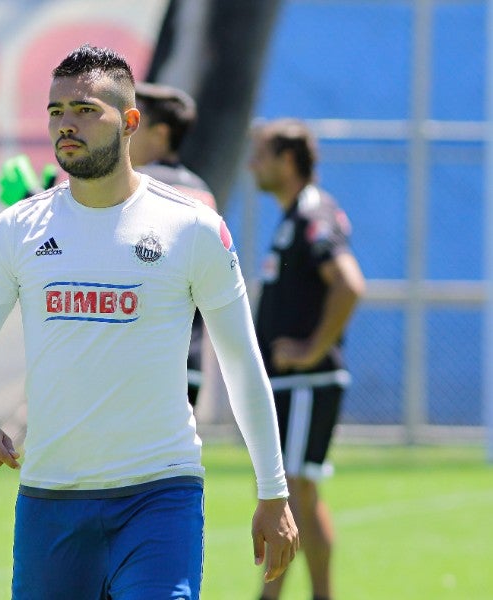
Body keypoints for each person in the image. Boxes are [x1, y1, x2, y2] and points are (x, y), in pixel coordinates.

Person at [0, 44, 298, 599]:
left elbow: (241, 360)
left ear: (130, 122)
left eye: (85, 110)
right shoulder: (17, 230)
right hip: (50, 496)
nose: (67, 125)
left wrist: (273, 492)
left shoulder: (193, 229)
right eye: (56, 112)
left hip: (159, 494)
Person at [249, 119, 364, 600]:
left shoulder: (311, 214)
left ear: (287, 160)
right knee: (300, 490)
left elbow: (349, 283)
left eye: (261, 154)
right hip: (293, 384)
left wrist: (312, 348)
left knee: (292, 491)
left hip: (307, 382)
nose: (252, 165)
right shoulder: (294, 215)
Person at [131, 82, 217, 408]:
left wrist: (32, 198)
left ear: (161, 133)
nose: (125, 133)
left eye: (135, 124)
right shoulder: (202, 190)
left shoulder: (136, 185)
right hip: (187, 362)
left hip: (138, 362)